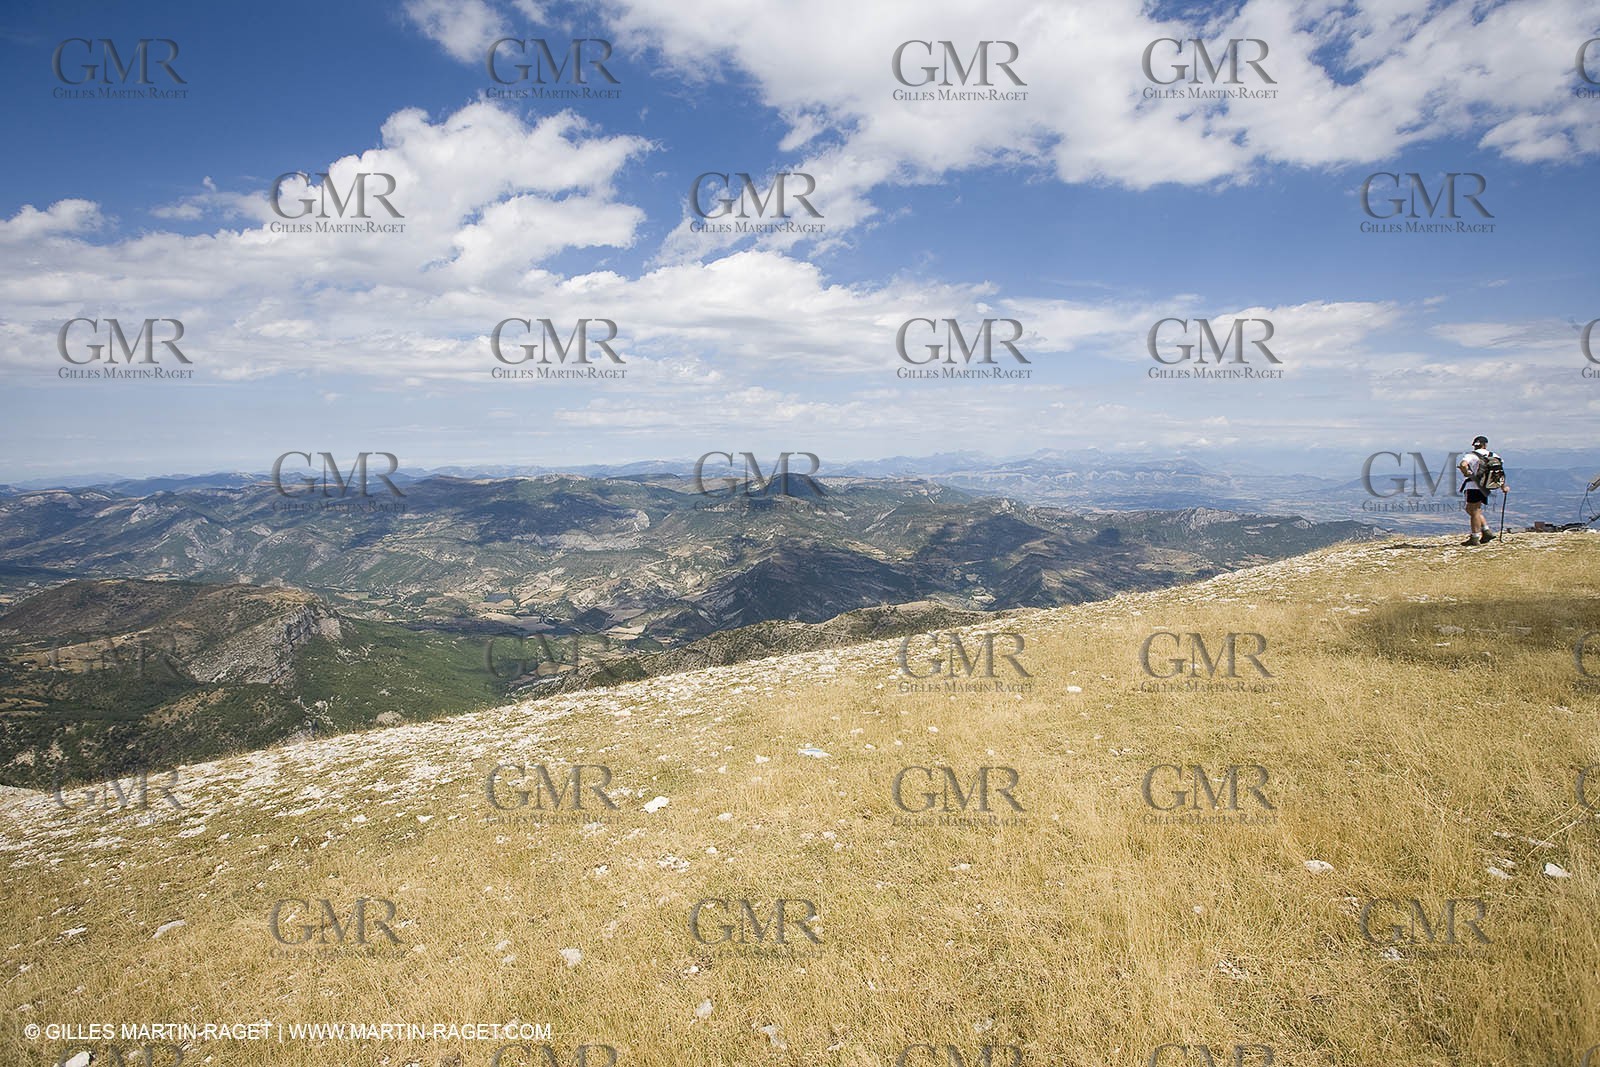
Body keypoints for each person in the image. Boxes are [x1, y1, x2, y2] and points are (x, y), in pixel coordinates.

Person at [1457, 435, 1504, 545]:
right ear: (1485, 444)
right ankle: (1486, 531)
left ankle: (1475, 537)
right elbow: (1499, 472)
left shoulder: (1471, 456)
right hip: (1486, 486)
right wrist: (1503, 486)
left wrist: (1466, 472)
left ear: (1475, 445)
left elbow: (1463, 465)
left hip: (1474, 486)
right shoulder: (1494, 456)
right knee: (1471, 509)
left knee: (1474, 511)